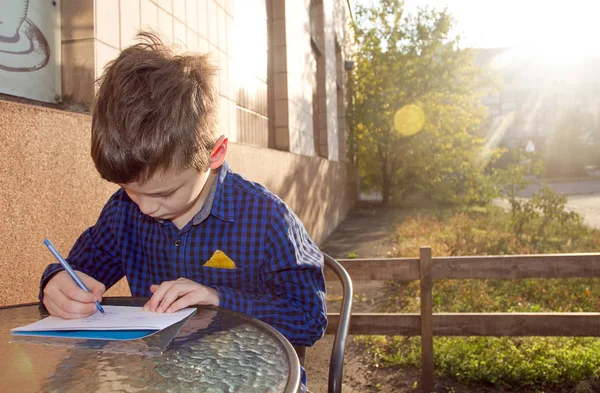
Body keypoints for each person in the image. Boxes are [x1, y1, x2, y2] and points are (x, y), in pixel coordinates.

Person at [39, 32, 327, 391]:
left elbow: (308, 318)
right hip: (164, 379)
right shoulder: (123, 212)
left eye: (164, 193)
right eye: (129, 190)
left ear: (215, 154)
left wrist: (221, 301)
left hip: (255, 380)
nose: (144, 207)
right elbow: (79, 272)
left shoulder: (267, 219)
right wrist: (57, 282)